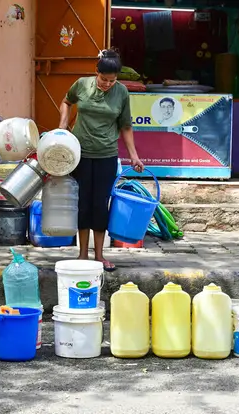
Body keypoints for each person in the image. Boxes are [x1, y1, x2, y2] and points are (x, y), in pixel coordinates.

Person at [58, 49, 144, 272]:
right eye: (103, 79)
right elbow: (66, 102)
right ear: (96, 72)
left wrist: (133, 155)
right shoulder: (82, 85)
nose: (107, 84)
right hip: (81, 154)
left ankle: (99, 256)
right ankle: (82, 255)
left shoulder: (122, 93)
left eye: (112, 80)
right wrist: (63, 125)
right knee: (83, 203)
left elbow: (126, 125)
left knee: (100, 204)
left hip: (106, 155)